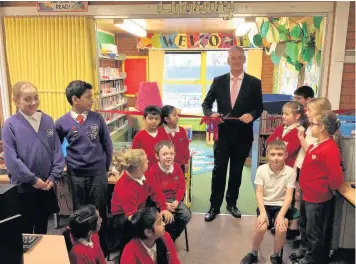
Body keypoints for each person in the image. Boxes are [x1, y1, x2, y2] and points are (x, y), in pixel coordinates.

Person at [201, 46, 263, 221]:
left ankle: (232, 204)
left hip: (243, 136)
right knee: (218, 171)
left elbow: (259, 107)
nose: (236, 61)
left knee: (236, 172)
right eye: (232, 58)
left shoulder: (254, 82)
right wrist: (210, 114)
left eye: (239, 58)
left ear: (244, 59)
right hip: (223, 134)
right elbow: (206, 104)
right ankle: (214, 206)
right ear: (228, 60)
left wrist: (251, 114)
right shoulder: (218, 81)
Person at [55, 80, 113, 254]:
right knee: (80, 212)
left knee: (99, 211)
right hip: (76, 174)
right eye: (88, 97)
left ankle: (101, 248)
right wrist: (63, 164)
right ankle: (82, 248)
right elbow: (56, 148)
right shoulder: (61, 123)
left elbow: (107, 144)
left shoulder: (97, 118)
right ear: (75, 99)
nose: (92, 99)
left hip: (98, 173)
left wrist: (106, 166)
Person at [2, 81, 65, 234]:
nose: (33, 102)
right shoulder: (10, 125)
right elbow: (11, 160)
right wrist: (33, 180)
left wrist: (53, 176)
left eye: (36, 97)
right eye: (27, 99)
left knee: (43, 226)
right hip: (24, 188)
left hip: (46, 184)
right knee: (26, 229)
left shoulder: (47, 120)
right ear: (16, 101)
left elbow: (57, 150)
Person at [290, 111, 343, 264]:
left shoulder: (330, 149)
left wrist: (328, 189)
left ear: (322, 128)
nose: (310, 127)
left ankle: (311, 259)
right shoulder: (315, 144)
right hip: (308, 195)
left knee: (314, 231)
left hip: (318, 198)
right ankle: (305, 250)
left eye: (313, 124)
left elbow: (336, 177)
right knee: (305, 225)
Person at [241, 140, 295, 264]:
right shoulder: (261, 170)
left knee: (281, 229)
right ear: (267, 155)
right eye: (273, 154)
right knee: (261, 227)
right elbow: (259, 193)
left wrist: (281, 215)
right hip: (265, 204)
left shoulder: (290, 172)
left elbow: (288, 197)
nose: (276, 158)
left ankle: (275, 255)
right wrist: (263, 213)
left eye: (280, 154)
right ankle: (253, 252)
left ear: (285, 155)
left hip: (281, 205)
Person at [110, 149, 174, 251]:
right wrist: (152, 224)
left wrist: (163, 207)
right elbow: (133, 218)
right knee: (151, 227)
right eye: (146, 161)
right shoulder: (126, 187)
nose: (148, 162)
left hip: (140, 208)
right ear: (139, 168)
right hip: (124, 217)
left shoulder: (145, 173)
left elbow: (155, 190)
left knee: (161, 220)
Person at [288, 98, 331, 239]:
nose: (306, 112)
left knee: (304, 202)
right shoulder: (309, 127)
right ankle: (295, 228)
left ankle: (301, 233)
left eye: (309, 109)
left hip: (310, 173)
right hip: (301, 167)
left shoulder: (319, 131)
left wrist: (300, 138)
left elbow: (311, 153)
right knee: (298, 198)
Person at [150, 141, 192, 241]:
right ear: (157, 156)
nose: (169, 157)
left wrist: (177, 200)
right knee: (159, 218)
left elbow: (181, 187)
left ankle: (170, 237)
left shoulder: (177, 168)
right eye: (164, 154)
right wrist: (164, 205)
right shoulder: (153, 170)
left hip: (174, 200)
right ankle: (161, 238)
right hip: (158, 201)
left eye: (171, 154)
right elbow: (153, 192)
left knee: (186, 215)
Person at [266, 101, 306, 168]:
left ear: (297, 116)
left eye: (287, 114)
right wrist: (282, 144)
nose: (283, 116)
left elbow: (289, 150)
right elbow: (268, 141)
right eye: (283, 113)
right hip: (274, 164)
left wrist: (275, 144)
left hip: (288, 166)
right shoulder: (281, 127)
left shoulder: (300, 131)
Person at [159, 105, 190, 173]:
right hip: (164, 165)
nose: (177, 117)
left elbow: (186, 147)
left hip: (180, 165)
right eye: (174, 115)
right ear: (167, 119)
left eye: (177, 114)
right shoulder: (160, 131)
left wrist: (186, 162)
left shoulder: (181, 130)